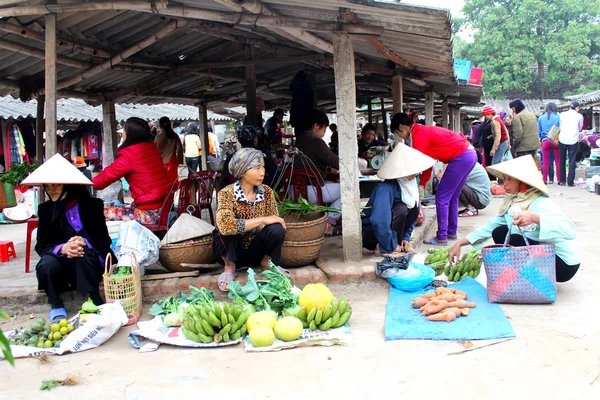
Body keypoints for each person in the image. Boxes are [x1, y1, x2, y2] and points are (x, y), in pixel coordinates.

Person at [449, 155, 580, 283]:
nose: (504, 184)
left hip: (564, 264)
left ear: (522, 182)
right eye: (503, 179)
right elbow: (489, 228)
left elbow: (570, 230)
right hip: (544, 258)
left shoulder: (540, 202)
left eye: (509, 179)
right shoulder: (512, 203)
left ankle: (536, 279)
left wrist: (534, 218)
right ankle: (529, 277)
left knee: (516, 239)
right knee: (500, 232)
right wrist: (460, 243)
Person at [22, 154, 115, 322]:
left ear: (69, 185)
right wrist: (62, 248)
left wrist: (83, 242)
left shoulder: (92, 205)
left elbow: (104, 240)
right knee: (46, 264)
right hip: (61, 262)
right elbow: (41, 245)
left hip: (89, 260)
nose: (51, 188)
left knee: (82, 254)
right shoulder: (45, 210)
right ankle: (56, 304)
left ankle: (94, 298)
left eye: (56, 183)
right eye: (47, 185)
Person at [390, 112, 477, 246]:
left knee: (441, 197)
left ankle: (441, 236)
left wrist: (412, 179)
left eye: (398, 133)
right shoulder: (421, 130)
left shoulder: (419, 135)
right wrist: (422, 184)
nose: (400, 137)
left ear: (402, 127)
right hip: (469, 154)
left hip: (461, 156)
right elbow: (428, 162)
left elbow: (420, 162)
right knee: (452, 196)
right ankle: (451, 232)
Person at [212, 148, 287, 292]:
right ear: (243, 171)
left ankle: (267, 262)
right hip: (233, 251)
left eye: (263, 167)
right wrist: (263, 220)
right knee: (223, 230)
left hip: (256, 249)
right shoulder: (226, 193)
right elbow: (226, 225)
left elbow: (274, 221)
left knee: (276, 228)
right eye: (257, 168)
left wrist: (268, 221)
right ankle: (229, 267)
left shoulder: (267, 192)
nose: (262, 172)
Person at [361, 143, 435, 255]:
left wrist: (406, 238)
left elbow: (413, 213)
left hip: (391, 231)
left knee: (414, 207)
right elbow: (379, 220)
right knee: (402, 208)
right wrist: (389, 244)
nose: (416, 173)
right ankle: (383, 246)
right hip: (373, 233)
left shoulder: (409, 183)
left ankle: (399, 242)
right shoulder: (386, 188)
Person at [93, 117, 169, 225]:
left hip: (149, 214)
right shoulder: (151, 147)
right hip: (164, 208)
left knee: (99, 211)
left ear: (130, 134)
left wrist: (91, 178)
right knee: (122, 206)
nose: (122, 133)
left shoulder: (129, 155)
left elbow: (99, 182)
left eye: (124, 130)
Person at [294, 109, 341, 234]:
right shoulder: (316, 142)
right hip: (310, 191)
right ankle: (328, 222)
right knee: (348, 190)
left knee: (333, 186)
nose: (325, 130)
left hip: (293, 191)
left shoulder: (299, 141)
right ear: (316, 125)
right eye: (324, 127)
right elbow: (335, 161)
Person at [219, 126, 276, 191]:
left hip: (236, 195)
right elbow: (275, 174)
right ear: (255, 139)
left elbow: (223, 183)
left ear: (239, 141)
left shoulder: (231, 158)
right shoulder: (263, 156)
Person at [558, 101, 584, 187]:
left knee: (562, 160)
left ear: (570, 107)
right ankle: (570, 182)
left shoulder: (562, 114)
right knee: (572, 160)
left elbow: (560, 125)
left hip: (562, 139)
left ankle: (562, 181)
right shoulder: (579, 116)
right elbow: (580, 128)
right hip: (573, 140)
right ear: (577, 108)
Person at [155, 116, 184, 183]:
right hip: (172, 163)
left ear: (160, 126)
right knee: (172, 185)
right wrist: (179, 161)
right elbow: (179, 149)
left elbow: (155, 151)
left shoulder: (158, 137)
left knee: (163, 185)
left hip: (161, 164)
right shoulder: (174, 135)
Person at [538, 103, 561, 184]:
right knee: (558, 161)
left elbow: (539, 131)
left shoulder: (541, 117)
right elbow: (560, 128)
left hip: (545, 141)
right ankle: (559, 179)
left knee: (545, 161)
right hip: (555, 141)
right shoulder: (558, 117)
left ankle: (544, 180)